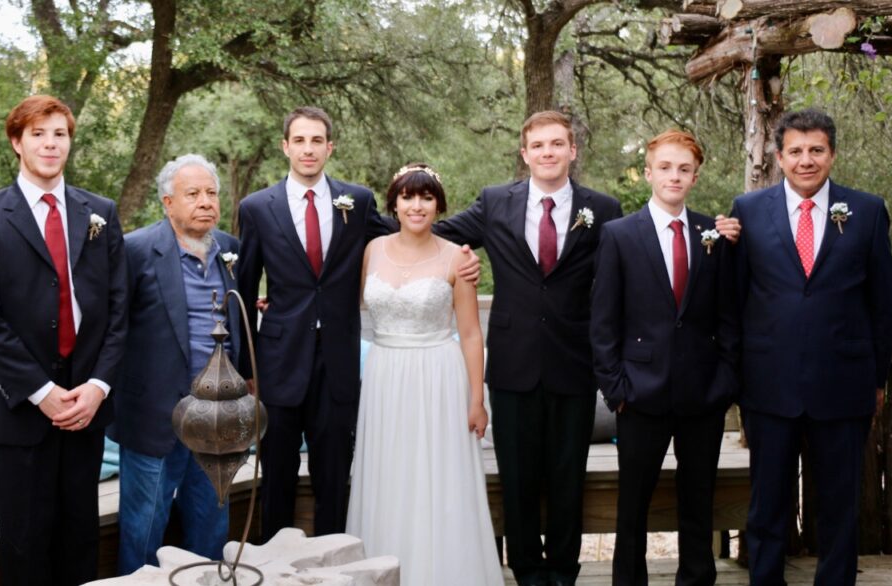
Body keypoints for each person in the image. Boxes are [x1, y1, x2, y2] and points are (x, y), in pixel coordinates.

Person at [236, 106, 478, 542]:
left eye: (317, 141)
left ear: (329, 147)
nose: (308, 150)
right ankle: (273, 564)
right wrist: (246, 366)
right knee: (277, 475)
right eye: (300, 141)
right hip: (278, 361)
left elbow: (409, 231)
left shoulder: (357, 201)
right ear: (285, 146)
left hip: (339, 363)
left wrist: (459, 252)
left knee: (334, 474)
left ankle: (334, 565)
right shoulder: (256, 207)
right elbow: (243, 284)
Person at [431, 110, 621, 586]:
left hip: (574, 363)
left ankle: (562, 570)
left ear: (572, 150)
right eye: (538, 146)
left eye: (557, 144)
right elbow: (436, 236)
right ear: (525, 154)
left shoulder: (603, 208)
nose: (548, 153)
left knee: (566, 477)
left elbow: (626, 267)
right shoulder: (497, 202)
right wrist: (456, 261)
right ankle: (527, 571)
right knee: (517, 478)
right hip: (513, 363)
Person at [0, 95, 128, 586]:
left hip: (86, 406)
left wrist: (98, 386)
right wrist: (41, 392)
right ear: (17, 142)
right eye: (38, 134)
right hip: (20, 410)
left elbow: (119, 312)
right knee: (25, 543)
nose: (51, 143)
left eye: (60, 133)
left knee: (80, 538)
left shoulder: (100, 212)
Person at [730, 109, 892, 586]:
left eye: (816, 150)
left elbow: (883, 303)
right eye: (797, 151)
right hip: (769, 385)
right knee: (767, 502)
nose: (807, 160)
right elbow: (737, 302)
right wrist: (740, 378)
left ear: (832, 154)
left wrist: (877, 379)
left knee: (839, 502)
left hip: (843, 384)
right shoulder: (748, 210)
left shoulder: (865, 210)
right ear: (779, 157)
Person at [591, 130, 739, 586]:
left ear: (695, 176)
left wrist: (725, 382)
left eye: (684, 169)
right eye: (666, 167)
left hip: (703, 392)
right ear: (649, 172)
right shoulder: (618, 234)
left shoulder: (711, 234)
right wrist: (616, 389)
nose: (674, 176)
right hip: (640, 393)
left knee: (699, 496)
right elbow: (602, 320)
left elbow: (729, 314)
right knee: (633, 501)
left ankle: (696, 578)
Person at [346, 164, 504, 586]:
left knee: (440, 480)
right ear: (393, 204)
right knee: (389, 476)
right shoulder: (372, 250)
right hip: (384, 376)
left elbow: (471, 334)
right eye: (408, 197)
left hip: (438, 376)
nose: (417, 206)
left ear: (438, 206)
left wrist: (476, 399)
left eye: (427, 197)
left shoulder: (457, 257)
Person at [107, 154, 242, 574]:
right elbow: (113, 329)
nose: (206, 202)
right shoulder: (135, 250)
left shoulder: (231, 250)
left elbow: (239, 323)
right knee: (143, 529)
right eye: (193, 194)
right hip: (155, 415)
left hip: (218, 417)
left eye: (212, 193)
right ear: (168, 202)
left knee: (210, 526)